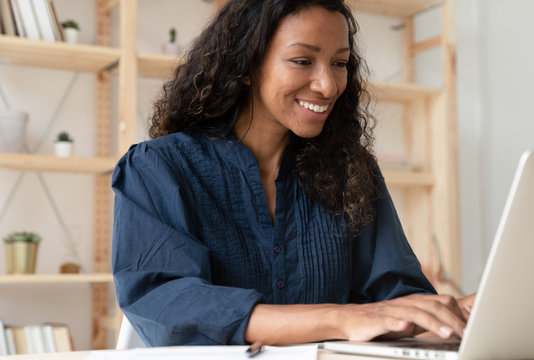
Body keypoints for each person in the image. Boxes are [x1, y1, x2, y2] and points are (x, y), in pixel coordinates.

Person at [111, 0, 475, 347]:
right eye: (302, 61)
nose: (328, 86)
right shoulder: (157, 169)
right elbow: (169, 303)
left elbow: (394, 297)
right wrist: (339, 318)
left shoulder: (352, 171)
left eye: (339, 63)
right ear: (247, 66)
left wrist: (450, 315)